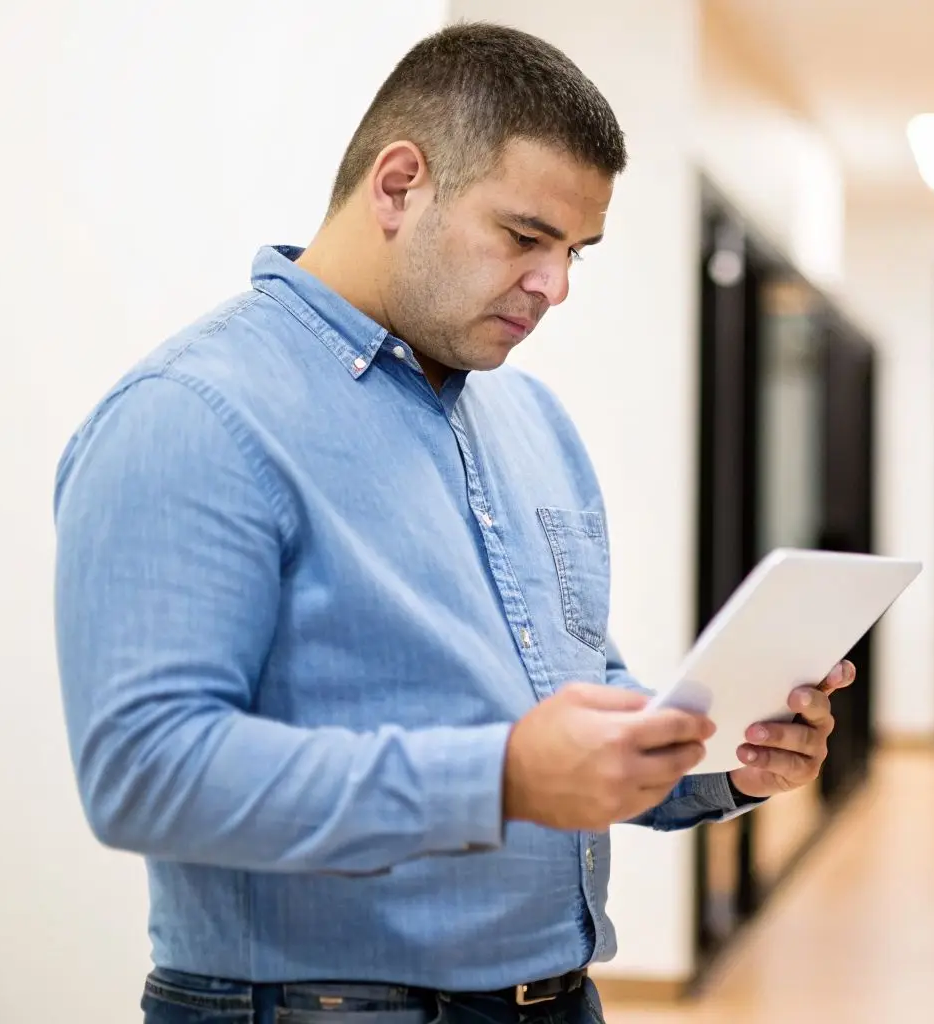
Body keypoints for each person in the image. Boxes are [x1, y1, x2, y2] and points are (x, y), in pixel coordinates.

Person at [51, 22, 853, 1024]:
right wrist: (502, 776)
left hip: (556, 1000)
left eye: (574, 252)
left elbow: (568, 695)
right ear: (398, 187)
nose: (555, 286)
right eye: (524, 237)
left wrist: (719, 752)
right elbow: (145, 774)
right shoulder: (194, 414)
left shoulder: (533, 422)